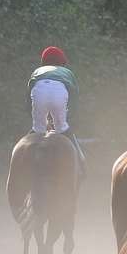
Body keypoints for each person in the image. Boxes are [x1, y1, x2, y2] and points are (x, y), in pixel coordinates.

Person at [27, 46, 85, 178]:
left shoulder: (37, 71)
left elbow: (28, 99)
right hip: (59, 93)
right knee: (64, 128)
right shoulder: (67, 72)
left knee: (37, 131)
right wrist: (67, 119)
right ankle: (81, 165)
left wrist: (38, 121)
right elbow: (74, 100)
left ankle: (18, 160)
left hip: (39, 91)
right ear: (62, 62)